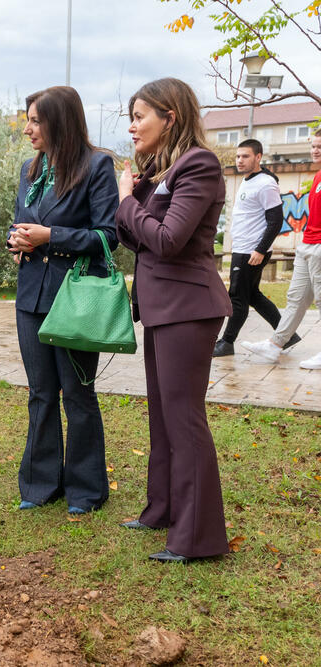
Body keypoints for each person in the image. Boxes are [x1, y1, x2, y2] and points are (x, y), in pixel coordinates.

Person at [116, 78, 231, 563]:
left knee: (184, 419)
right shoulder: (163, 170)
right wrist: (136, 196)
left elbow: (166, 240)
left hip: (189, 308)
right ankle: (160, 510)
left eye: (140, 115)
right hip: (163, 308)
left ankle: (197, 539)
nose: (132, 125)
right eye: (131, 116)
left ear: (171, 117)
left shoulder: (198, 165)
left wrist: (127, 199)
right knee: (163, 415)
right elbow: (135, 240)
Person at [7, 86, 118, 515]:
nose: (28, 128)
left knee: (77, 393)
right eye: (27, 119)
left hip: (74, 297)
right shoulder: (29, 169)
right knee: (40, 392)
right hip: (30, 297)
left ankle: (86, 490)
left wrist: (51, 238)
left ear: (61, 121)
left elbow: (109, 236)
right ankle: (39, 485)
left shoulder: (97, 165)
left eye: (36, 120)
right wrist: (20, 241)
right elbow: (26, 222)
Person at [241, 129, 321, 369]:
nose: (315, 150)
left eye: (320, 146)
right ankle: (275, 345)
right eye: (314, 146)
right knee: (295, 298)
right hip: (307, 244)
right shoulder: (317, 176)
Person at [213, 139, 300, 357]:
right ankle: (287, 335)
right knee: (252, 295)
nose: (239, 160)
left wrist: (260, 249)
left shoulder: (265, 183)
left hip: (250, 251)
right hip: (245, 248)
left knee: (237, 297)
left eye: (245, 156)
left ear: (258, 157)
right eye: (238, 156)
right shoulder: (249, 180)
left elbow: (276, 220)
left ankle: (227, 342)